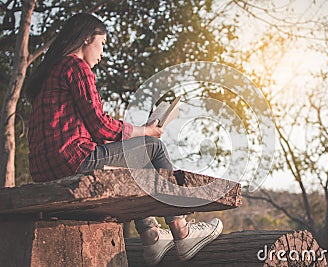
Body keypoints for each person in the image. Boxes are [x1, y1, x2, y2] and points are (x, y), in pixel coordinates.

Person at [26, 13, 223, 265]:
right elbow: (101, 127)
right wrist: (146, 130)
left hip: (46, 171)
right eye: (103, 43)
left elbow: (92, 132)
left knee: (131, 158)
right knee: (153, 146)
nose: (102, 53)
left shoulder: (49, 74)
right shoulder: (76, 66)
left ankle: (151, 235)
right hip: (72, 161)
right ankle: (181, 230)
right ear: (87, 38)